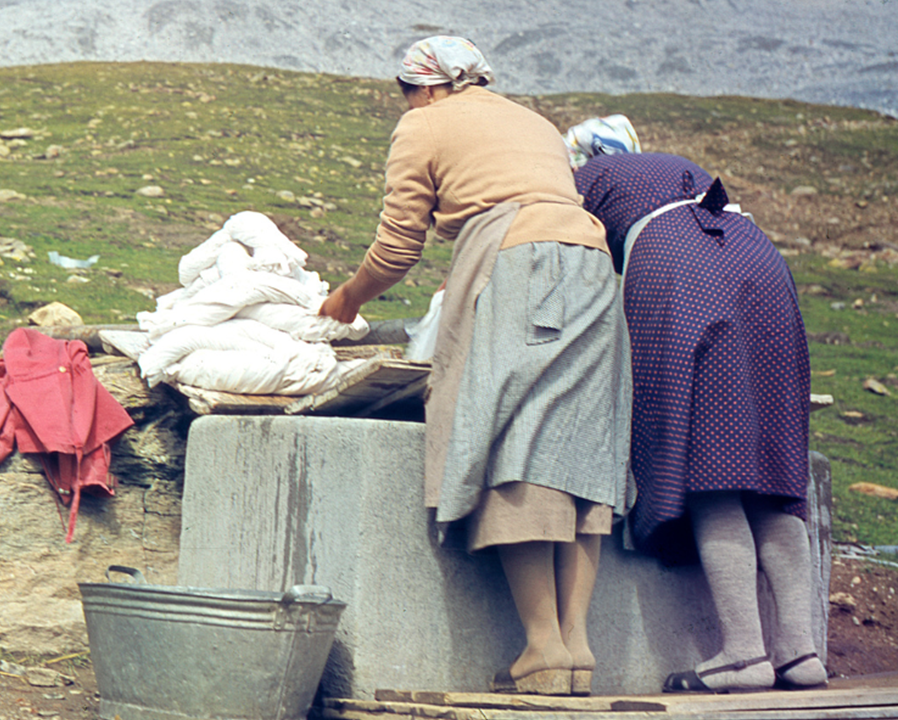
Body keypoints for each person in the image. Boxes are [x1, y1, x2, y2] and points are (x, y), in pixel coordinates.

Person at [319, 37, 633, 696]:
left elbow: (398, 244)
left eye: (405, 91)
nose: (404, 104)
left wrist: (347, 299)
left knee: (510, 441)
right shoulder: (534, 122)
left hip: (521, 262)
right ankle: (577, 649)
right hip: (593, 268)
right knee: (575, 452)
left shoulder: (423, 124)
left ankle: (542, 646)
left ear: (425, 86)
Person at [569, 120, 829, 693]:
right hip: (759, 260)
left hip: (680, 270)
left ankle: (742, 656)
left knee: (711, 467)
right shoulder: (672, 166)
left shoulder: (581, 176)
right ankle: (800, 651)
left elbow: (568, 260)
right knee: (769, 471)